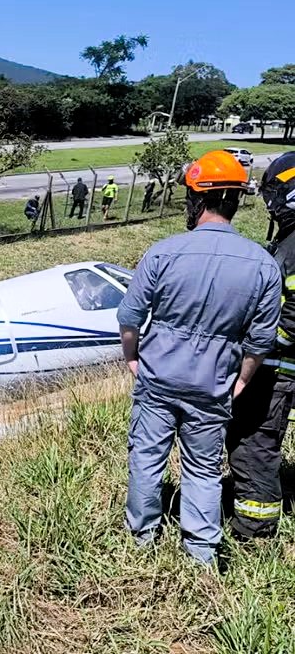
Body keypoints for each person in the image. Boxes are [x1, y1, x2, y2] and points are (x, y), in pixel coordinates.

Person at [117, 150, 281, 565]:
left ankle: (141, 541)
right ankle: (201, 553)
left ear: (196, 198)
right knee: (203, 469)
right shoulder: (263, 265)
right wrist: (241, 380)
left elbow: (130, 318)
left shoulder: (163, 252)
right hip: (214, 384)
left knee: (146, 459)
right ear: (235, 201)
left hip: (158, 377)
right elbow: (260, 342)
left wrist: (133, 359)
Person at [226, 152, 295, 540]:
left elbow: (291, 318)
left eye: (272, 196)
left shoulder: (294, 245)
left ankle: (254, 533)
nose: (269, 206)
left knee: (255, 445)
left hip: (277, 370)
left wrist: (258, 347)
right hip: (278, 366)